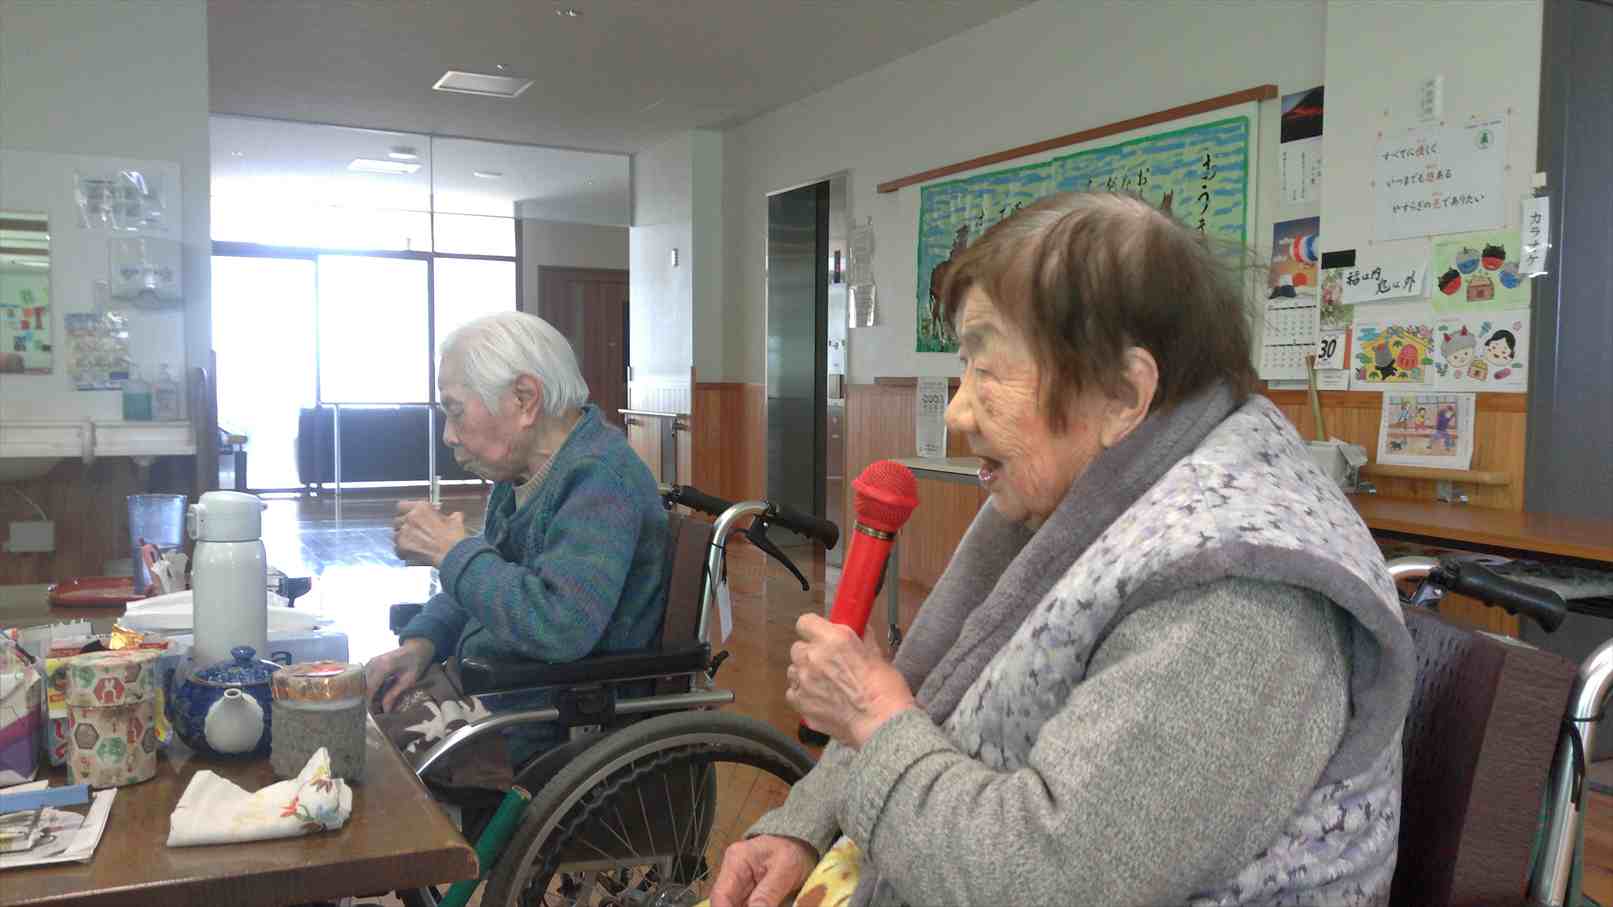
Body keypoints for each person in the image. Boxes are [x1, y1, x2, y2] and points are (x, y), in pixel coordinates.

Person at [711, 193, 1415, 907]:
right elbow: (926, 688)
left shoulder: (1239, 597)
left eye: (987, 370)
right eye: (964, 365)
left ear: (1122, 395)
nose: (956, 411)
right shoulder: (1072, 488)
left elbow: (1046, 879)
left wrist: (867, 711)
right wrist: (801, 825)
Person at [365, 311, 668, 780]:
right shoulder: (522, 476)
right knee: (353, 715)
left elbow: (561, 626)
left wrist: (453, 553)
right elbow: (481, 584)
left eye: (455, 410)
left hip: (553, 716)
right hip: (498, 689)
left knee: (368, 763)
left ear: (525, 399)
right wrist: (423, 643)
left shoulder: (602, 482)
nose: (448, 435)